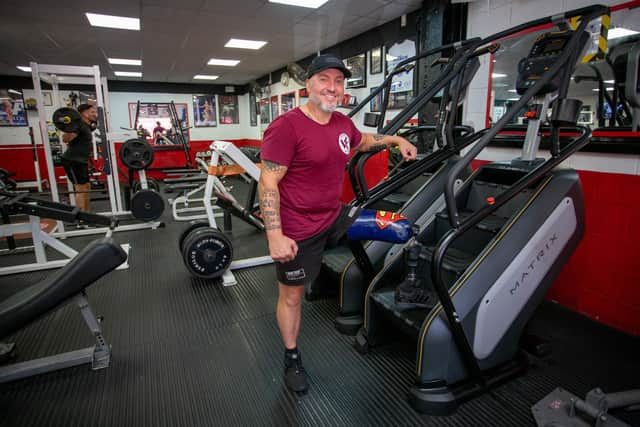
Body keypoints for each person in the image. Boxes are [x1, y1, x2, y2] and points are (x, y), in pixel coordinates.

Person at [259, 53, 417, 393]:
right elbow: (267, 182)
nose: (333, 88)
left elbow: (363, 141)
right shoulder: (286, 127)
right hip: (298, 229)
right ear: (309, 85)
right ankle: (291, 356)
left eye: (339, 81)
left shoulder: (342, 124)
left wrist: (397, 139)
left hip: (334, 215)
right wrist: (274, 235)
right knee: (291, 298)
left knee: (400, 227)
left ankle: (404, 284)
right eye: (324, 80)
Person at [60, 103, 97, 214]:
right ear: (84, 114)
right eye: (92, 112)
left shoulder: (86, 126)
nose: (95, 114)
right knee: (80, 189)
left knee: (86, 187)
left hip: (81, 161)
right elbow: (65, 139)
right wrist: (70, 126)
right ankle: (81, 220)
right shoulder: (78, 125)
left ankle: (87, 214)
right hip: (73, 161)